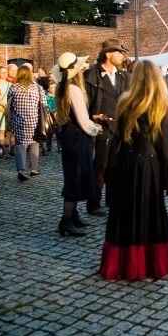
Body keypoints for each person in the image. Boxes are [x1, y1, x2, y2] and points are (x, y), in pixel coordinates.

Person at [99, 60, 168, 281]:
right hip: (149, 163)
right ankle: (148, 263)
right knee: (150, 212)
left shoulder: (125, 101)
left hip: (125, 161)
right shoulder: (159, 104)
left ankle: (122, 264)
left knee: (124, 212)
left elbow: (117, 139)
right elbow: (165, 146)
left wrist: (109, 169)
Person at [53, 52, 101, 236]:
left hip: (70, 134)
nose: (83, 68)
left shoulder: (62, 86)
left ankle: (73, 215)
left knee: (74, 175)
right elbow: (82, 119)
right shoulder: (73, 89)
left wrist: (91, 123)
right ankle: (66, 220)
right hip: (77, 137)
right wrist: (95, 129)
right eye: (80, 66)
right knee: (76, 177)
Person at [84, 39, 131, 216]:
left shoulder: (122, 76)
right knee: (100, 165)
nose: (122, 56)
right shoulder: (91, 75)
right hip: (101, 127)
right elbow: (85, 103)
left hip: (119, 126)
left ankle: (112, 199)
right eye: (119, 52)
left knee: (115, 165)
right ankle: (93, 203)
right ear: (108, 54)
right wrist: (92, 117)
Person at [7, 66, 47, 181]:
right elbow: (44, 105)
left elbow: (9, 104)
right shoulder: (38, 88)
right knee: (34, 143)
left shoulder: (13, 87)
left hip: (18, 120)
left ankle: (21, 170)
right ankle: (34, 169)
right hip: (34, 120)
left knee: (20, 145)